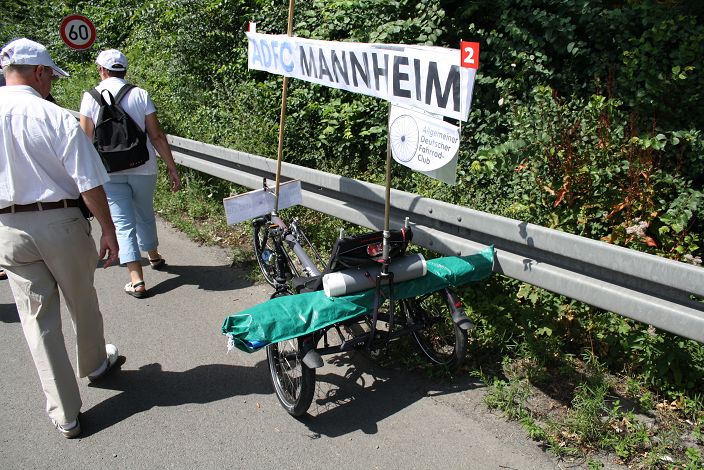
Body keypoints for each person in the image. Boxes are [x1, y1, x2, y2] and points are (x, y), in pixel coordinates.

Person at [0, 38, 121, 438]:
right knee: (81, 298)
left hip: (8, 228)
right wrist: (108, 230)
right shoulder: (53, 116)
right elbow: (87, 181)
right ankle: (96, 365)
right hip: (62, 220)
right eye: (51, 74)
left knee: (37, 320)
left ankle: (65, 414)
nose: (51, 82)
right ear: (38, 72)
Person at [79, 49, 181, 299]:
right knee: (144, 212)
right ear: (124, 70)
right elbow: (156, 135)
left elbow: (85, 139)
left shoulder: (90, 97)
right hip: (143, 167)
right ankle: (153, 255)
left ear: (102, 70)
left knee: (122, 222)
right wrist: (171, 166)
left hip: (109, 170)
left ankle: (137, 280)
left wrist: (84, 174)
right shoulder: (140, 94)